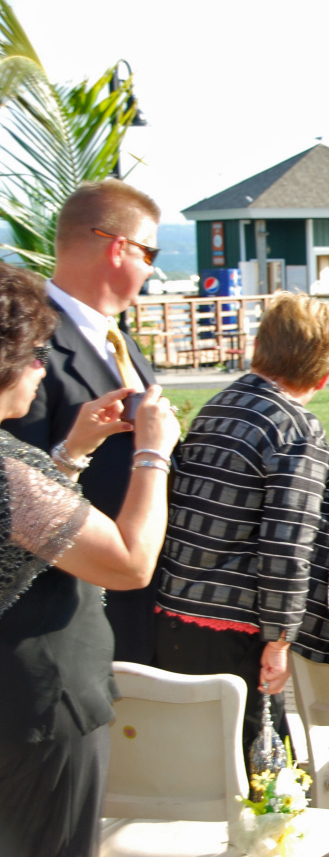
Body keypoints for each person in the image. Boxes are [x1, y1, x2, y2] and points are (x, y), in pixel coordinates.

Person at [0, 263, 180, 857]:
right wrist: (153, 452)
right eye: (31, 354)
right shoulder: (6, 473)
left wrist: (71, 453)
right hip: (36, 710)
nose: (40, 367)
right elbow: (129, 562)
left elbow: (23, 531)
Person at [152, 292, 329, 770]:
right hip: (237, 629)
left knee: (193, 770)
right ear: (324, 375)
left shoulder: (215, 408)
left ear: (257, 346)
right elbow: (287, 544)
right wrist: (280, 640)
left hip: (172, 610)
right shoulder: (297, 429)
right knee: (260, 781)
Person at [2, 179, 162, 665]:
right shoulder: (27, 339)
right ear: (121, 248)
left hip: (119, 614)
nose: (150, 271)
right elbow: (16, 492)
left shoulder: (121, 340)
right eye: (149, 255)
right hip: (49, 625)